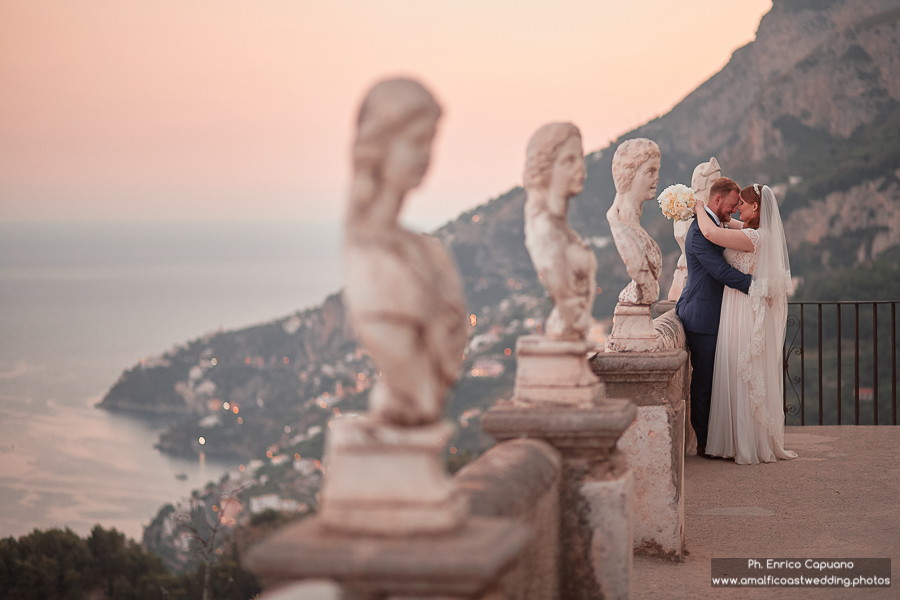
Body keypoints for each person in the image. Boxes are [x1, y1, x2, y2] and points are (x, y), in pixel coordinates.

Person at [694, 184, 798, 464]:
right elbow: (728, 223)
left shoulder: (754, 237)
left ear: (756, 208)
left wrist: (694, 207)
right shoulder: (757, 233)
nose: (738, 206)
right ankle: (744, 439)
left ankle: (743, 443)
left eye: (743, 203)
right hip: (739, 305)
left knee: (742, 372)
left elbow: (711, 233)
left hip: (742, 308)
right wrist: (720, 213)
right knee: (739, 372)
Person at [676, 177, 753, 457]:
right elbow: (720, 273)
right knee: (705, 382)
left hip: (715, 314)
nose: (733, 210)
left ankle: (718, 438)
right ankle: (705, 443)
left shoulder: (715, 223)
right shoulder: (699, 232)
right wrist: (757, 286)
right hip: (701, 316)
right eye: (732, 205)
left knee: (717, 379)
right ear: (718, 200)